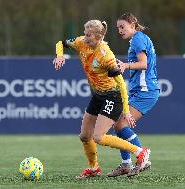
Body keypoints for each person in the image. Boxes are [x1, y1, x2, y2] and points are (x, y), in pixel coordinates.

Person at [53, 19, 150, 179]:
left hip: (113, 96)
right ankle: (93, 168)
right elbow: (60, 43)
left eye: (89, 35)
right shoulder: (81, 42)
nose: (85, 38)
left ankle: (140, 152)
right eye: (85, 33)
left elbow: (121, 84)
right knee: (85, 136)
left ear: (99, 37)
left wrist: (126, 111)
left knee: (98, 137)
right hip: (98, 95)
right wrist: (60, 56)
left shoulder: (106, 55)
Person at [107, 13, 160, 177]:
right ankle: (126, 164)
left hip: (146, 91)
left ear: (132, 24)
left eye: (122, 26)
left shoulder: (138, 39)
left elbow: (143, 64)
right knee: (119, 124)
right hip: (142, 90)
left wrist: (125, 65)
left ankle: (141, 156)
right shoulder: (140, 39)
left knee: (121, 125)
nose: (120, 30)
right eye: (118, 28)